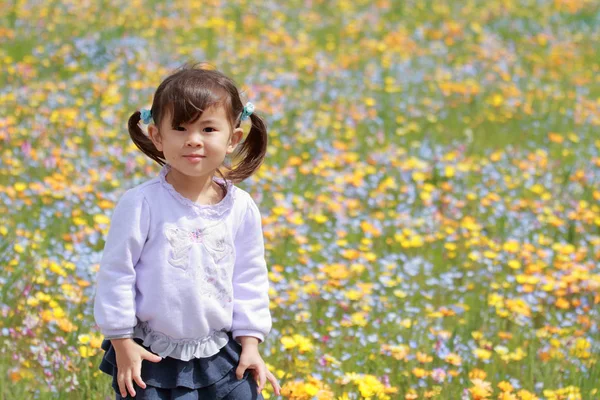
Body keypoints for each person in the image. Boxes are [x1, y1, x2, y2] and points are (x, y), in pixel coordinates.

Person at [93, 63, 280, 400]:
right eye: (180, 128)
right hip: (149, 353)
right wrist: (122, 343)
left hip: (221, 351)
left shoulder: (241, 208)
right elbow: (116, 274)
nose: (193, 140)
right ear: (157, 137)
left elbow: (250, 277)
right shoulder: (141, 204)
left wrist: (250, 344)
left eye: (208, 129)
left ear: (233, 139)